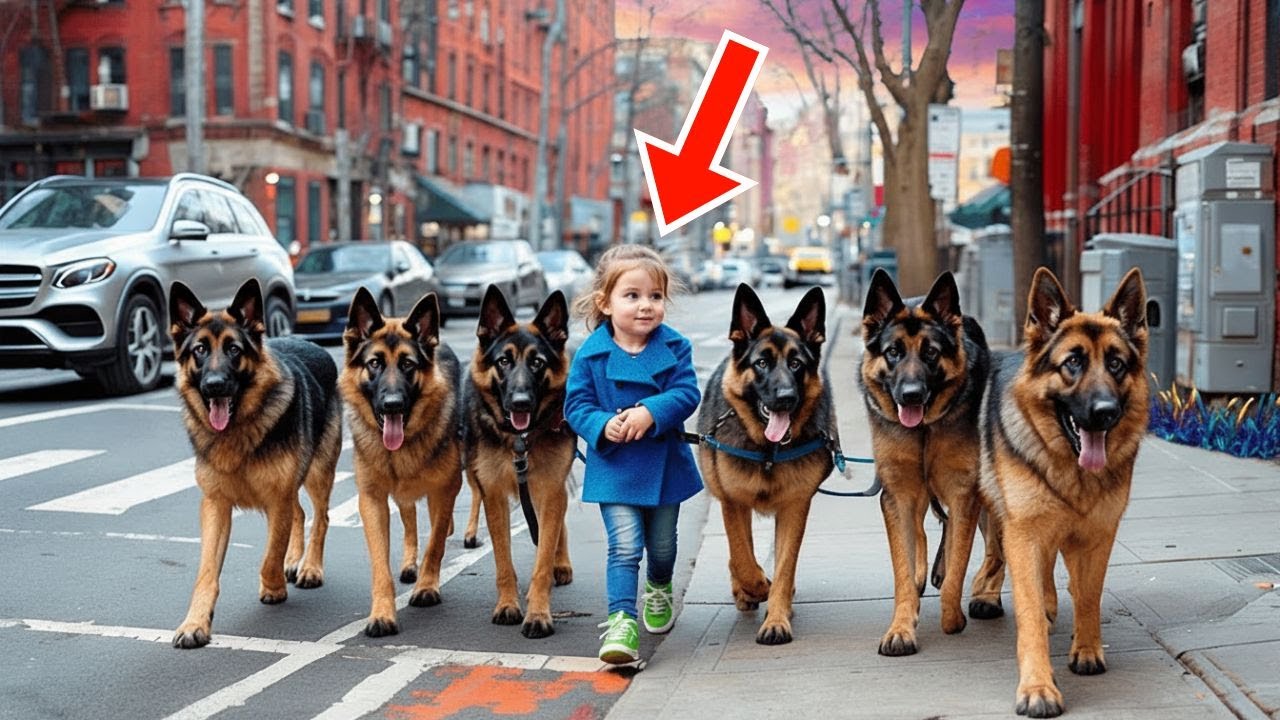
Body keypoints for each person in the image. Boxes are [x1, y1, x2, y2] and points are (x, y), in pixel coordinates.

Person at [564, 245, 702, 665]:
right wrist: (603, 424)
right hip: (616, 467)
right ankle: (621, 620)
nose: (646, 306)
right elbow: (576, 406)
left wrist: (651, 411)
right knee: (624, 547)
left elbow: (687, 393)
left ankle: (658, 586)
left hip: (665, 466)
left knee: (661, 546)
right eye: (632, 295)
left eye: (655, 296)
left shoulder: (675, 347)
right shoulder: (589, 353)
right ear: (605, 302)